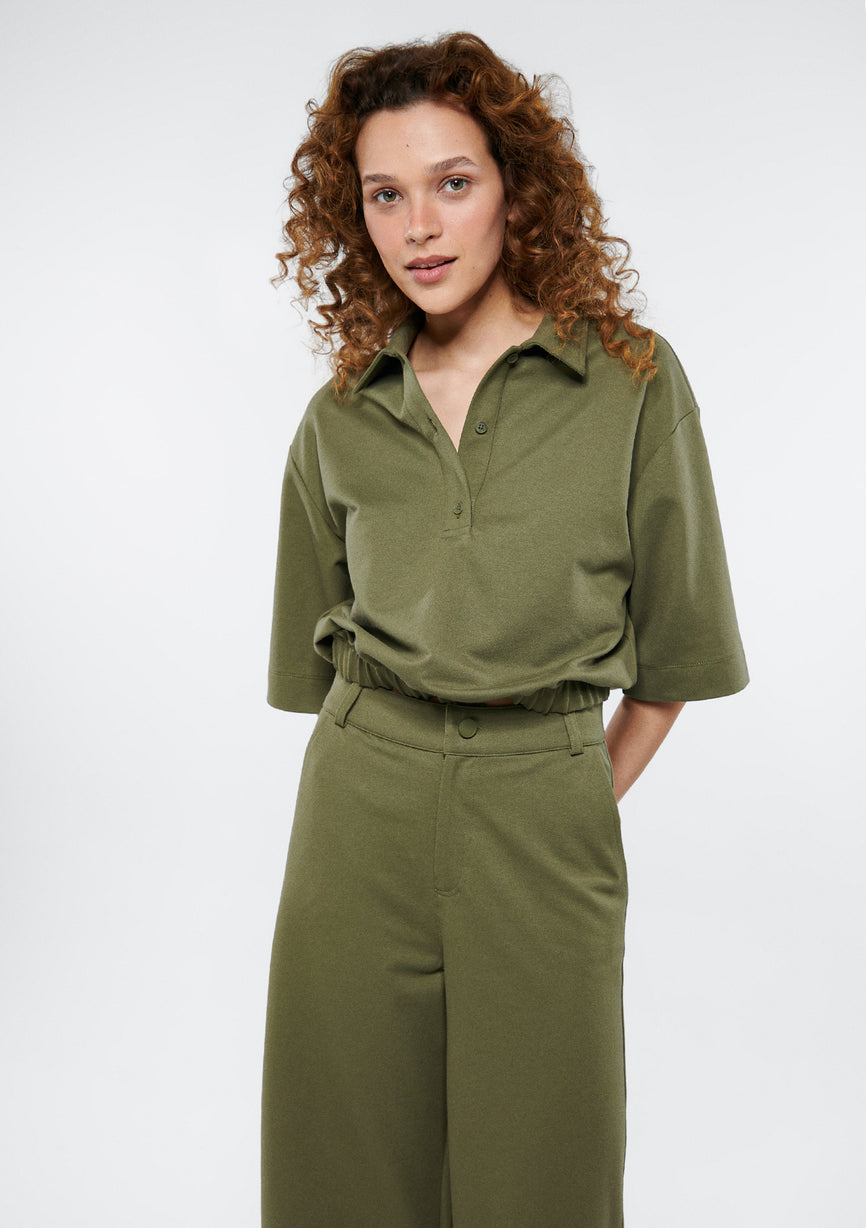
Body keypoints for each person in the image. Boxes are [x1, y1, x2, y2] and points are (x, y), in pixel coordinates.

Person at [262, 31, 748, 1227]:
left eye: (451, 182)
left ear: (515, 190)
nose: (418, 225)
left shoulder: (632, 383)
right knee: (338, 1172)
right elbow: (308, 664)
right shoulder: (339, 416)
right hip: (358, 812)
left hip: (544, 809)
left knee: (546, 1176)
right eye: (384, 194)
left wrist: (558, 784)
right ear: (354, 215)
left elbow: (676, 656)